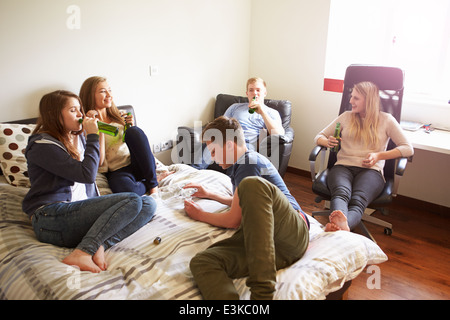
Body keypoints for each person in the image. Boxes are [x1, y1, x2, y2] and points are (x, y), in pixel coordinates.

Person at [22, 90, 157, 273]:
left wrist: (97, 131)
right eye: (73, 110)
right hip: (51, 218)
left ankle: (98, 243)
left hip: (79, 213)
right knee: (133, 200)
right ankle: (82, 252)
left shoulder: (74, 136)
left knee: (148, 203)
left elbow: (99, 162)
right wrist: (91, 135)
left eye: (80, 109)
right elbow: (87, 174)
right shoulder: (41, 145)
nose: (79, 115)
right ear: (54, 114)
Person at [186, 116, 309, 300]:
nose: (211, 158)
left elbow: (233, 220)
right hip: (275, 246)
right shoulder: (239, 167)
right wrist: (210, 194)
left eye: (213, 151)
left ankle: (262, 297)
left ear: (228, 145)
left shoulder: (249, 162)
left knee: (250, 185)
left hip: (291, 232)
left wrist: (200, 214)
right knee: (203, 261)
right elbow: (243, 204)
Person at [314, 81, 414, 232]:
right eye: (351, 97)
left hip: (371, 171)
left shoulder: (386, 120)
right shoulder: (346, 117)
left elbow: (408, 149)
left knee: (358, 200)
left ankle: (340, 228)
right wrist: (326, 141)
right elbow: (318, 136)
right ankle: (342, 228)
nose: (350, 101)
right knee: (341, 193)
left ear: (369, 100)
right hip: (343, 167)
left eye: (356, 98)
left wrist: (379, 156)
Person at [79, 76, 167, 196]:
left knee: (134, 132)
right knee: (126, 190)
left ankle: (153, 186)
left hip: (137, 163)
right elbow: (99, 161)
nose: (109, 95)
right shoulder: (87, 124)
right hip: (117, 171)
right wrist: (98, 127)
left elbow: (138, 143)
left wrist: (129, 126)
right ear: (90, 95)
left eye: (109, 90)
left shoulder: (119, 115)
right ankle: (155, 179)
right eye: (103, 91)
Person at [224, 77, 285, 152]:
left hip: (247, 146)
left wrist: (262, 113)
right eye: (251, 90)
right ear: (247, 93)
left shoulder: (272, 112)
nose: (255, 93)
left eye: (258, 90)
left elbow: (278, 134)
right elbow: (220, 125)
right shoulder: (235, 107)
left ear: (265, 93)